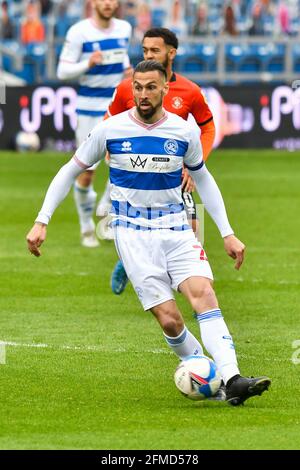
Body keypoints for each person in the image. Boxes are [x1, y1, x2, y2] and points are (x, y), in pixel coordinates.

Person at [26, 60, 271, 406]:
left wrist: (227, 233)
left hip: (176, 227)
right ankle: (208, 376)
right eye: (137, 87)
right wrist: (42, 219)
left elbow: (203, 179)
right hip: (132, 234)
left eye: (150, 87)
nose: (143, 94)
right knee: (169, 319)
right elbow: (70, 170)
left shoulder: (182, 132)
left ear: (164, 89)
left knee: (204, 294)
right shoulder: (110, 130)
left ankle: (232, 378)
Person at [98, 28, 215, 294]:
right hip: (137, 173)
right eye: (145, 50)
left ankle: (190, 289)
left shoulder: (190, 91)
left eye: (155, 50)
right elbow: (109, 120)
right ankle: (130, 263)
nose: (148, 55)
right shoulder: (128, 88)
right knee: (140, 225)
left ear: (171, 53)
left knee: (193, 228)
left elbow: (208, 128)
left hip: (174, 172)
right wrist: (108, 146)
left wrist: (196, 167)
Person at [57, 0, 132, 247]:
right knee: (86, 173)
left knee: (125, 161)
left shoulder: (124, 28)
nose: (109, 3)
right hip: (88, 109)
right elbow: (62, 71)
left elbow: (122, 61)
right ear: (93, 3)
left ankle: (107, 207)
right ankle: (86, 227)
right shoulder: (79, 32)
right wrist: (87, 63)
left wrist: (129, 71)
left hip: (116, 107)